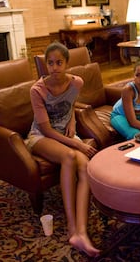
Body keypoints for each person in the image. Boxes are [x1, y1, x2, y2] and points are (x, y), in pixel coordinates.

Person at [25, 42, 100, 257]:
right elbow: (46, 130)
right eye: (50, 63)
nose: (55, 67)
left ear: (67, 64)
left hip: (66, 135)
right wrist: (77, 143)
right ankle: (71, 227)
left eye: (59, 62)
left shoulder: (76, 83)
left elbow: (71, 106)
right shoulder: (37, 90)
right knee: (70, 156)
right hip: (41, 136)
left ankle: (82, 232)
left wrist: (73, 123)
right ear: (45, 65)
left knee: (85, 165)